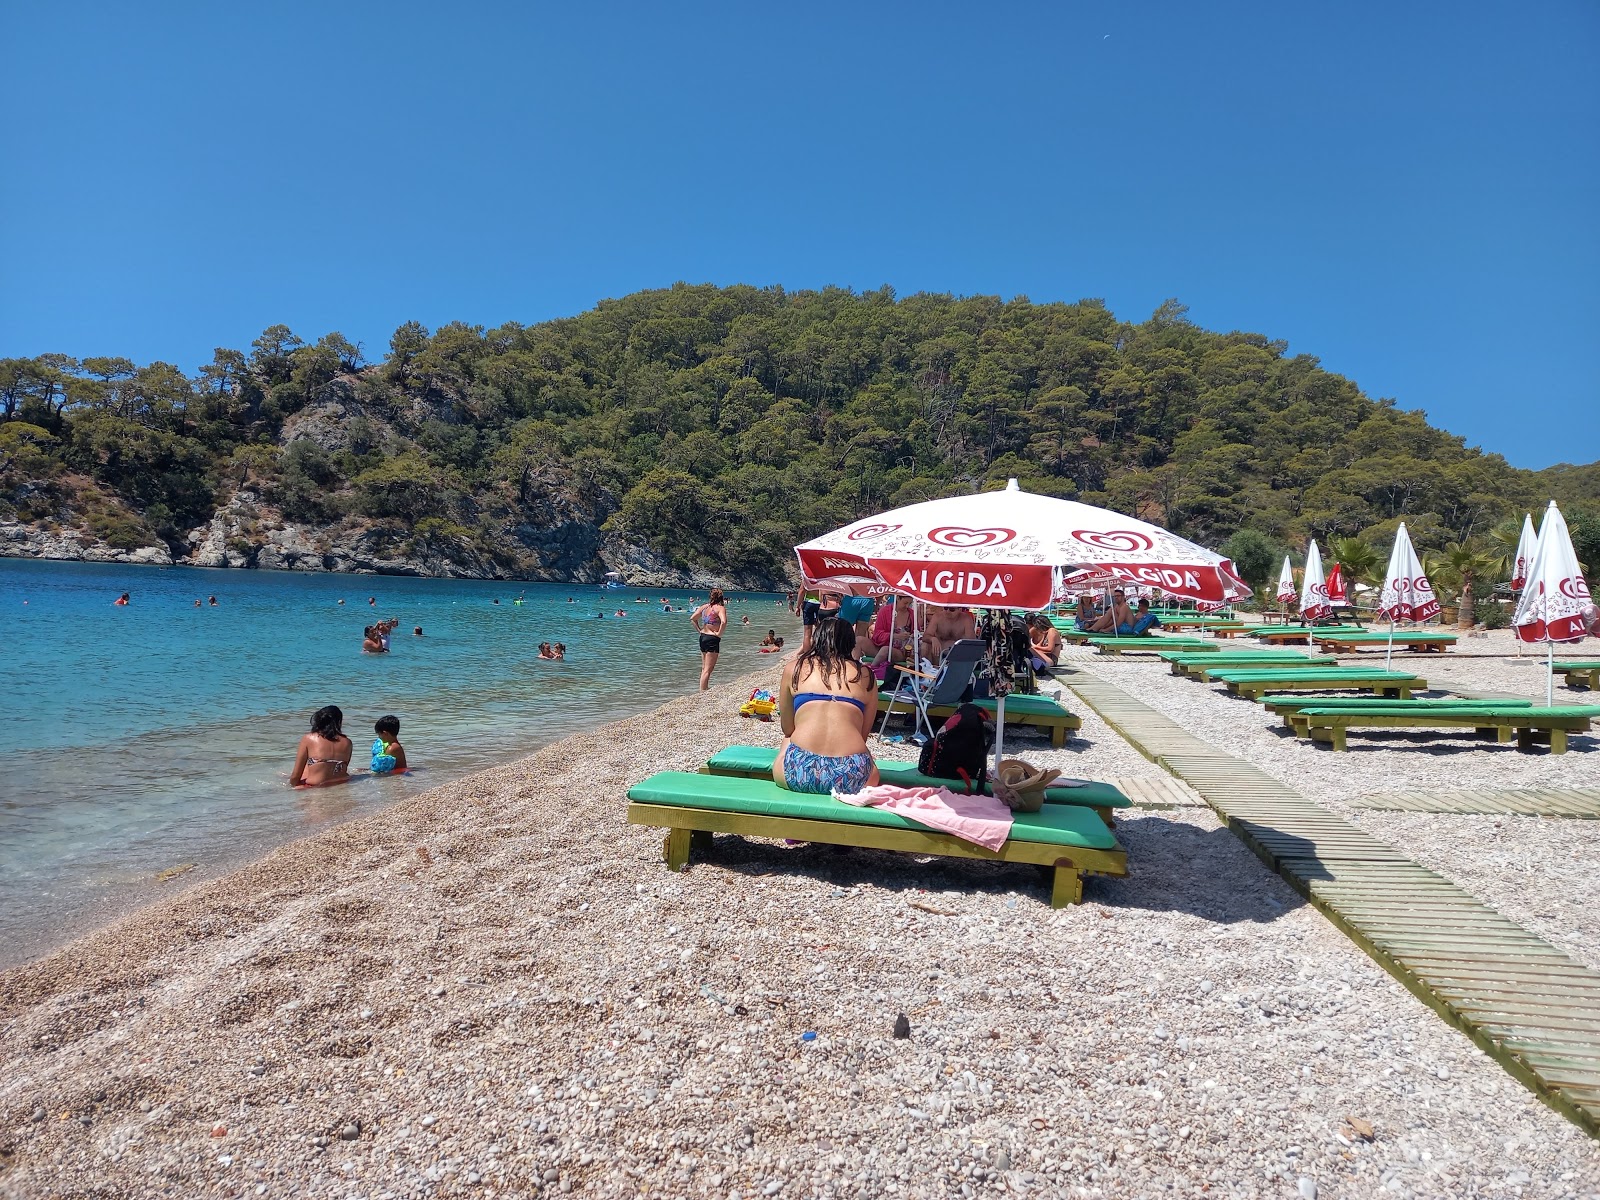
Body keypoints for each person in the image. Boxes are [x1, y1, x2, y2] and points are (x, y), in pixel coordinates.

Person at [774, 618, 880, 795]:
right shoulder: (866, 675)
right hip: (853, 776)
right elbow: (863, 734)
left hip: (800, 771)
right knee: (864, 754)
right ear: (850, 643)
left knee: (788, 739)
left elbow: (787, 727)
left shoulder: (795, 669)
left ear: (818, 638)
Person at [291, 706, 352, 787]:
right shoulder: (348, 742)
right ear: (339, 722)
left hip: (315, 787)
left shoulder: (309, 738)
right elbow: (343, 767)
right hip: (340, 783)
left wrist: (292, 787)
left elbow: (295, 776)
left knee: (304, 770)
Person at [690, 588, 728, 690]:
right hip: (712, 638)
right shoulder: (720, 608)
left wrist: (699, 630)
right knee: (708, 669)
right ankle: (703, 691)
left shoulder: (704, 607)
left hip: (703, 637)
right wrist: (719, 634)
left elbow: (693, 618)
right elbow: (723, 622)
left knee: (704, 667)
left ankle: (703, 689)